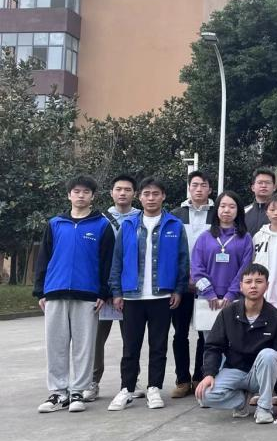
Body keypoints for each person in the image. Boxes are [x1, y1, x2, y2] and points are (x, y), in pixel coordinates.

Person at [33, 175, 115, 413]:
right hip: (55, 292)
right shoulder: (55, 224)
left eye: (86, 192)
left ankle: (78, 390)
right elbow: (43, 258)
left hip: (87, 294)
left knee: (84, 346)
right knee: (56, 345)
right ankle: (58, 393)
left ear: (93, 196)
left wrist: (103, 292)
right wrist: (40, 290)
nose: (81, 195)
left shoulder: (102, 226)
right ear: (69, 195)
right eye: (76, 191)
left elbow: (107, 262)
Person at [108, 177, 189, 411]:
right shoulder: (128, 225)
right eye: (146, 194)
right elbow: (117, 260)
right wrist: (116, 291)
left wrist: (178, 289)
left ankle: (154, 387)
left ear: (163, 196)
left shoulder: (174, 225)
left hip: (161, 297)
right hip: (132, 297)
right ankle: (126, 389)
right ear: (140, 197)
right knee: (130, 347)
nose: (151, 198)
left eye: (155, 194)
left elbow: (183, 261)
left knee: (158, 346)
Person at [195, 265, 277, 424]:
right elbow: (213, 347)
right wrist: (209, 374)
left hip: (261, 376)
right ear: (241, 286)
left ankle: (264, 408)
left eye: (259, 281)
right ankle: (241, 401)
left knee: (269, 355)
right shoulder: (228, 313)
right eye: (248, 282)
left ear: (267, 285)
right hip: (234, 371)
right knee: (204, 396)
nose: (253, 286)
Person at [88, 174, 140, 403]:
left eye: (127, 189)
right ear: (111, 193)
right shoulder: (99, 219)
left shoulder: (142, 218)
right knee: (96, 339)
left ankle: (131, 380)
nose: (122, 193)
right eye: (118, 189)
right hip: (102, 289)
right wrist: (104, 288)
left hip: (130, 289)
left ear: (134, 194)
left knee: (132, 338)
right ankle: (92, 381)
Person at [169, 170, 215, 399]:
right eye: (195, 185)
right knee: (180, 333)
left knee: (205, 333)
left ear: (210, 189)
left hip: (208, 285)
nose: (199, 189)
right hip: (181, 284)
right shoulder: (176, 215)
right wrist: (183, 277)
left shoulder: (217, 215)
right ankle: (182, 379)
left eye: (203, 185)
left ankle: (200, 375)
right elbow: (171, 251)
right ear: (188, 188)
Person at [191, 190, 255, 310]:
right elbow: (196, 269)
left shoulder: (245, 238)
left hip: (236, 298)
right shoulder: (204, 237)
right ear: (217, 209)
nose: (226, 210)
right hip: (207, 299)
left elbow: (245, 269)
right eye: (223, 206)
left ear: (238, 211)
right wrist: (208, 292)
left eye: (232, 207)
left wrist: (232, 293)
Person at [244, 168, 276, 236]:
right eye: (260, 182)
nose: (264, 186)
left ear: (274, 187)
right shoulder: (243, 212)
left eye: (267, 183)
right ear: (253, 187)